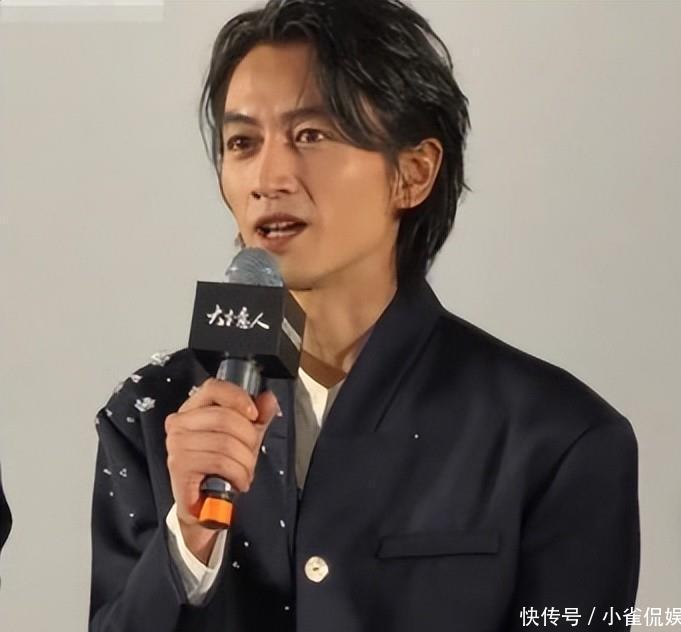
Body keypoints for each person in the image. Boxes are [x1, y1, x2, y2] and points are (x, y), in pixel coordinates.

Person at [89, 1, 640, 630]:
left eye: (311, 135)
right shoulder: (154, 413)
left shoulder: (556, 438)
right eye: (243, 143)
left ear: (413, 173)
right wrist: (187, 538)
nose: (268, 177)